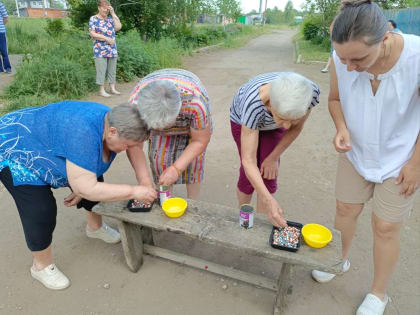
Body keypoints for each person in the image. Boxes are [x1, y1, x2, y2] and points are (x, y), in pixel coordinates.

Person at [311, 1, 420, 314]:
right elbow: (334, 99)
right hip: (355, 149)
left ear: (385, 37)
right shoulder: (341, 58)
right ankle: (337, 261)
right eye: (342, 57)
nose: (348, 67)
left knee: (385, 226)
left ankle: (378, 294)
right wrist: (341, 127)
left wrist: (415, 165)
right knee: (345, 208)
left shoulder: (416, 56)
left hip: (403, 157)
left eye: (357, 59)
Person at [0, 101, 157, 290]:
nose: (126, 149)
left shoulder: (118, 121)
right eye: (126, 145)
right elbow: (87, 187)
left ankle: (95, 228)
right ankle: (40, 266)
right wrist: (133, 191)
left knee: (93, 176)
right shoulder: (83, 135)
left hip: (47, 133)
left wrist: (145, 182)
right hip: (15, 146)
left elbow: (133, 148)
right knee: (40, 209)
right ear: (113, 132)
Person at [230, 72, 320, 227]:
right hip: (243, 120)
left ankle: (262, 222)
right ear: (270, 104)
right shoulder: (252, 105)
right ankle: (244, 217)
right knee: (249, 173)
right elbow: (248, 160)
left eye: (293, 119)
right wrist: (269, 200)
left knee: (268, 172)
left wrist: (273, 157)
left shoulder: (310, 94)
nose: (286, 127)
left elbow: (295, 128)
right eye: (283, 119)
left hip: (273, 118)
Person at [128, 68, 212, 200]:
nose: (161, 130)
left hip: (190, 118)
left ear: (179, 111)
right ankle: (165, 199)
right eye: (156, 127)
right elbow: (134, 145)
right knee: (159, 160)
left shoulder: (195, 103)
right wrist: (144, 180)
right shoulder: (135, 106)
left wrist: (176, 169)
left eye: (165, 125)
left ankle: (194, 203)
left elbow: (200, 141)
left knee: (194, 162)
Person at [89, 0, 122, 97]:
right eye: (104, 8)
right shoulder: (93, 19)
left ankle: (112, 88)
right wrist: (106, 38)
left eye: (107, 8)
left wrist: (113, 13)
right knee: (101, 70)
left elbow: (119, 27)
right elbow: (92, 33)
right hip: (99, 49)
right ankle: (101, 90)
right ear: (99, 7)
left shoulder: (110, 19)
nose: (105, 10)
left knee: (112, 69)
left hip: (112, 49)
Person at [0, 1, 11, 74]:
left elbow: (5, 18)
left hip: (1, 32)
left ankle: (8, 68)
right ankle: (0, 69)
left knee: (4, 51)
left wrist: (1, 26)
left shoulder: (0, 4)